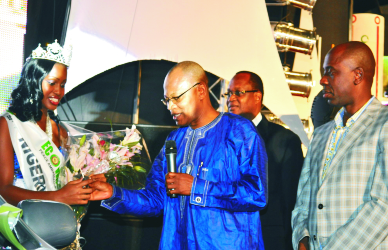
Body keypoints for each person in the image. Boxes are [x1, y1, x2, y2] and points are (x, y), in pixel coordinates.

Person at [90, 61, 268, 249]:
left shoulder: (239, 131)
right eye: (167, 100)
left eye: (177, 98)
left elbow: (256, 194)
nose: (170, 107)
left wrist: (196, 187)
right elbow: (155, 200)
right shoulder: (174, 140)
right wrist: (113, 193)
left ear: (200, 91)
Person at [291, 41, 388, 250]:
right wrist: (302, 240)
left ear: (357, 75)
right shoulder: (322, 133)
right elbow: (303, 201)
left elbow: (387, 205)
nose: (323, 80)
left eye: (331, 72)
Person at [0, 41, 94, 206]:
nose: (58, 91)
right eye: (52, 82)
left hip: (55, 222)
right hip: (20, 222)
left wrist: (89, 182)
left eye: (63, 84)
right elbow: (3, 190)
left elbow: (67, 181)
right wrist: (58, 197)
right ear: (34, 81)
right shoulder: (8, 124)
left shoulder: (60, 131)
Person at [227, 71, 304, 250]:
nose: (231, 98)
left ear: (257, 97)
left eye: (238, 92)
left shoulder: (285, 140)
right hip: (226, 238)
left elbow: (291, 200)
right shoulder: (220, 138)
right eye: (228, 93)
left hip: (268, 238)